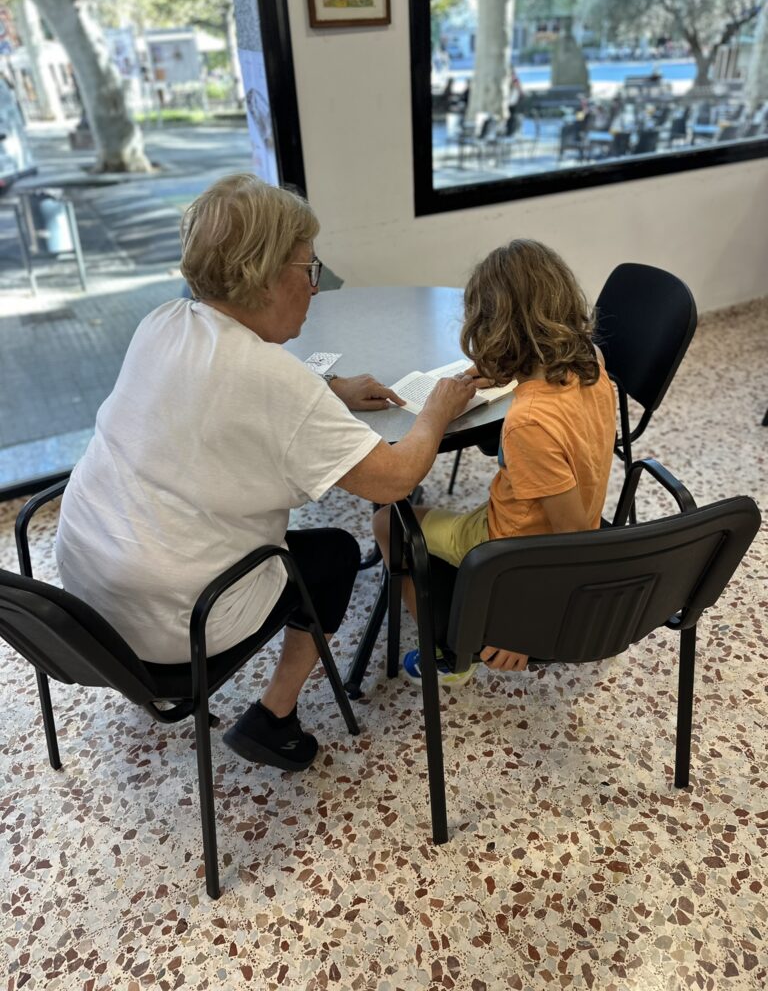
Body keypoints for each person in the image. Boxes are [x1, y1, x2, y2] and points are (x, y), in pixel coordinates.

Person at [55, 173, 478, 772]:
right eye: (308, 269)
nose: (315, 286)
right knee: (332, 555)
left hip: (86, 599)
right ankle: (274, 717)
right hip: (176, 624)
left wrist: (328, 389)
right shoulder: (275, 382)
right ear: (263, 275)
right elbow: (394, 481)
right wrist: (436, 408)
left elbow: (222, 392)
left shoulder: (164, 322)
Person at [373, 238, 617, 686]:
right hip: (568, 514)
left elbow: (572, 540)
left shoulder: (528, 423)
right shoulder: (593, 362)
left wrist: (525, 625)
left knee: (387, 521)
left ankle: (449, 653)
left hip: (508, 547)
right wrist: (507, 370)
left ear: (491, 328)